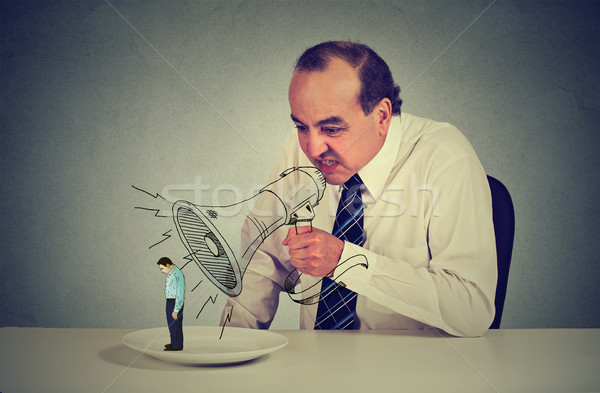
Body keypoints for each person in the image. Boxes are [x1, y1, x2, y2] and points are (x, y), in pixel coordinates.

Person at [221, 41, 497, 337]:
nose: (313, 148)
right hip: (315, 369)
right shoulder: (296, 148)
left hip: (414, 373)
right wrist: (232, 345)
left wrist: (346, 261)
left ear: (381, 116)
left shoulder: (444, 156)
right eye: (302, 127)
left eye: (332, 129)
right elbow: (266, 259)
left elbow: (473, 310)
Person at [157, 257, 185, 350]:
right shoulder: (171, 273)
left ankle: (177, 346)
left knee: (175, 324)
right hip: (170, 301)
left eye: (162, 268)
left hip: (175, 302)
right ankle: (174, 343)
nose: (162, 271)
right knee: (171, 324)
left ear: (168, 265)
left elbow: (180, 294)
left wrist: (176, 310)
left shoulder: (178, 274)